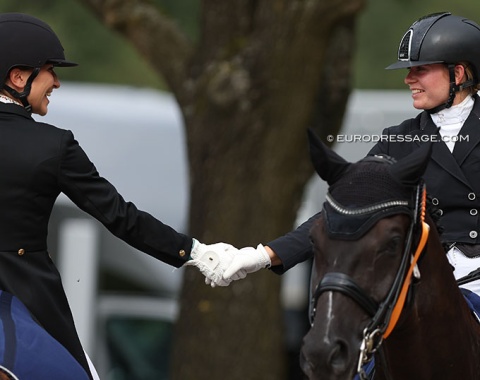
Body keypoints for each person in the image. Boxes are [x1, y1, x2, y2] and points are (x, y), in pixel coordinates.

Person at [0, 13, 233, 379]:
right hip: (25, 299)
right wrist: (197, 253)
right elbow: (120, 216)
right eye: (49, 71)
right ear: (18, 77)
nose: (56, 82)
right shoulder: (52, 146)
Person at [212, 12, 480, 300]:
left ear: (458, 74)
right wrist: (263, 255)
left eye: (420, 70)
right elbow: (345, 206)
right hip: (427, 277)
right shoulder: (398, 140)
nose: (408, 79)